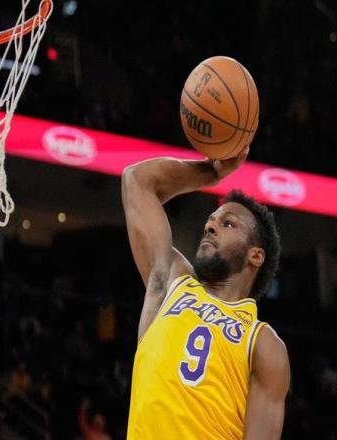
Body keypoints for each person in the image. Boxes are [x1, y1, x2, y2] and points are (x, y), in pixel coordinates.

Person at [122, 147, 290, 439]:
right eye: (211, 221)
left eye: (228, 223)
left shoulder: (263, 343)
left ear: (256, 256)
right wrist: (211, 173)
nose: (211, 226)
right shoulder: (172, 282)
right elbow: (137, 180)